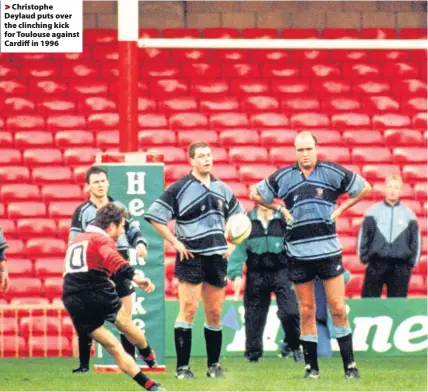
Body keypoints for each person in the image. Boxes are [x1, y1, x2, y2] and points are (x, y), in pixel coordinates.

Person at [250, 131, 371, 379]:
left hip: (328, 252)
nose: (304, 154)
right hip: (298, 253)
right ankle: (311, 368)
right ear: (295, 151)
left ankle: (350, 366)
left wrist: (342, 208)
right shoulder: (283, 176)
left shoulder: (332, 172)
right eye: (300, 150)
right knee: (306, 310)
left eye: (308, 149)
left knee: (338, 307)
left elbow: (364, 188)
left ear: (316, 149)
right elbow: (255, 194)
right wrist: (279, 208)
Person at [144, 141, 245, 379]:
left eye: (209, 155)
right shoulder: (179, 188)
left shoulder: (222, 188)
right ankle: (182, 368)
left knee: (215, 313)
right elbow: (154, 216)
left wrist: (232, 244)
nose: (206, 159)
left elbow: (240, 218)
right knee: (188, 310)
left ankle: (213, 366)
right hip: (191, 257)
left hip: (217, 258)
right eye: (201, 156)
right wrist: (175, 242)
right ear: (191, 161)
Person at [62, 203, 163, 391]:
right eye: (123, 226)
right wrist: (136, 277)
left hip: (71, 297)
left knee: (113, 346)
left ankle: (150, 386)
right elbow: (113, 259)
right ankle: (148, 354)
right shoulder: (102, 239)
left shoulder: (77, 239)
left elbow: (71, 271)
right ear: (111, 226)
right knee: (126, 325)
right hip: (96, 291)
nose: (123, 232)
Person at [69, 166, 150, 373]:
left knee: (125, 319)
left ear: (108, 183)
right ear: (88, 186)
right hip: (95, 267)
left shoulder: (118, 206)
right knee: (87, 318)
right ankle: (84, 366)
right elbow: (74, 240)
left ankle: (129, 362)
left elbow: (132, 228)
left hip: (119, 261)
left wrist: (140, 243)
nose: (100, 185)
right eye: (96, 182)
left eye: (103, 181)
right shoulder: (82, 211)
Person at [227, 204, 303, 363]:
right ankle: (253, 354)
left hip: (282, 272)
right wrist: (236, 273)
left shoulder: (283, 220)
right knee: (254, 315)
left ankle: (295, 346)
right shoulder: (246, 222)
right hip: (256, 273)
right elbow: (239, 249)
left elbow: (294, 245)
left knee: (290, 312)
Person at [358, 175, 421, 298]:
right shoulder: (373, 212)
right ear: (385, 189)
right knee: (369, 303)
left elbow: (415, 241)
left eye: (396, 187)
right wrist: (365, 260)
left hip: (400, 266)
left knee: (397, 306)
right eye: (390, 187)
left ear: (400, 191)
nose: (393, 190)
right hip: (376, 264)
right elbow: (364, 236)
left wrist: (410, 265)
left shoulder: (409, 215)